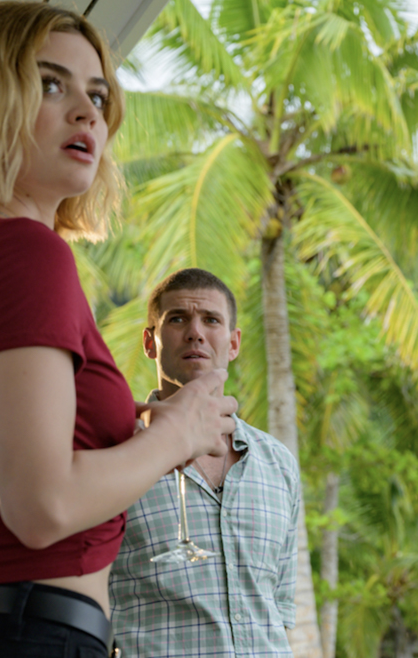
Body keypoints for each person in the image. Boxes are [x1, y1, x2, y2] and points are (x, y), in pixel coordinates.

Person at [0, 1, 237, 658]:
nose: (87, 112)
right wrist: (177, 431)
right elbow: (41, 506)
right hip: (30, 634)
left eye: (97, 94)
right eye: (49, 84)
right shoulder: (25, 252)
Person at [108, 268, 300, 657]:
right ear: (150, 342)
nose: (195, 332)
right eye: (177, 319)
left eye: (211, 320)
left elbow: (277, 610)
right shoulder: (114, 452)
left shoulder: (277, 463)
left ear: (233, 343)